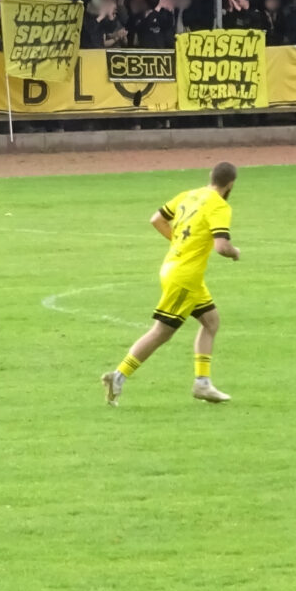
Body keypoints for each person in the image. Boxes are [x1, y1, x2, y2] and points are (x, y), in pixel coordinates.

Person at [102, 162, 240, 407]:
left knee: (211, 322)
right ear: (230, 184)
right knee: (161, 332)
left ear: (210, 177)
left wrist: (178, 242)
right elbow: (222, 247)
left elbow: (157, 219)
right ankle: (118, 376)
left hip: (175, 269)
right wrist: (235, 252)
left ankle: (202, 383)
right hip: (185, 277)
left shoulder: (189, 195)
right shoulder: (220, 206)